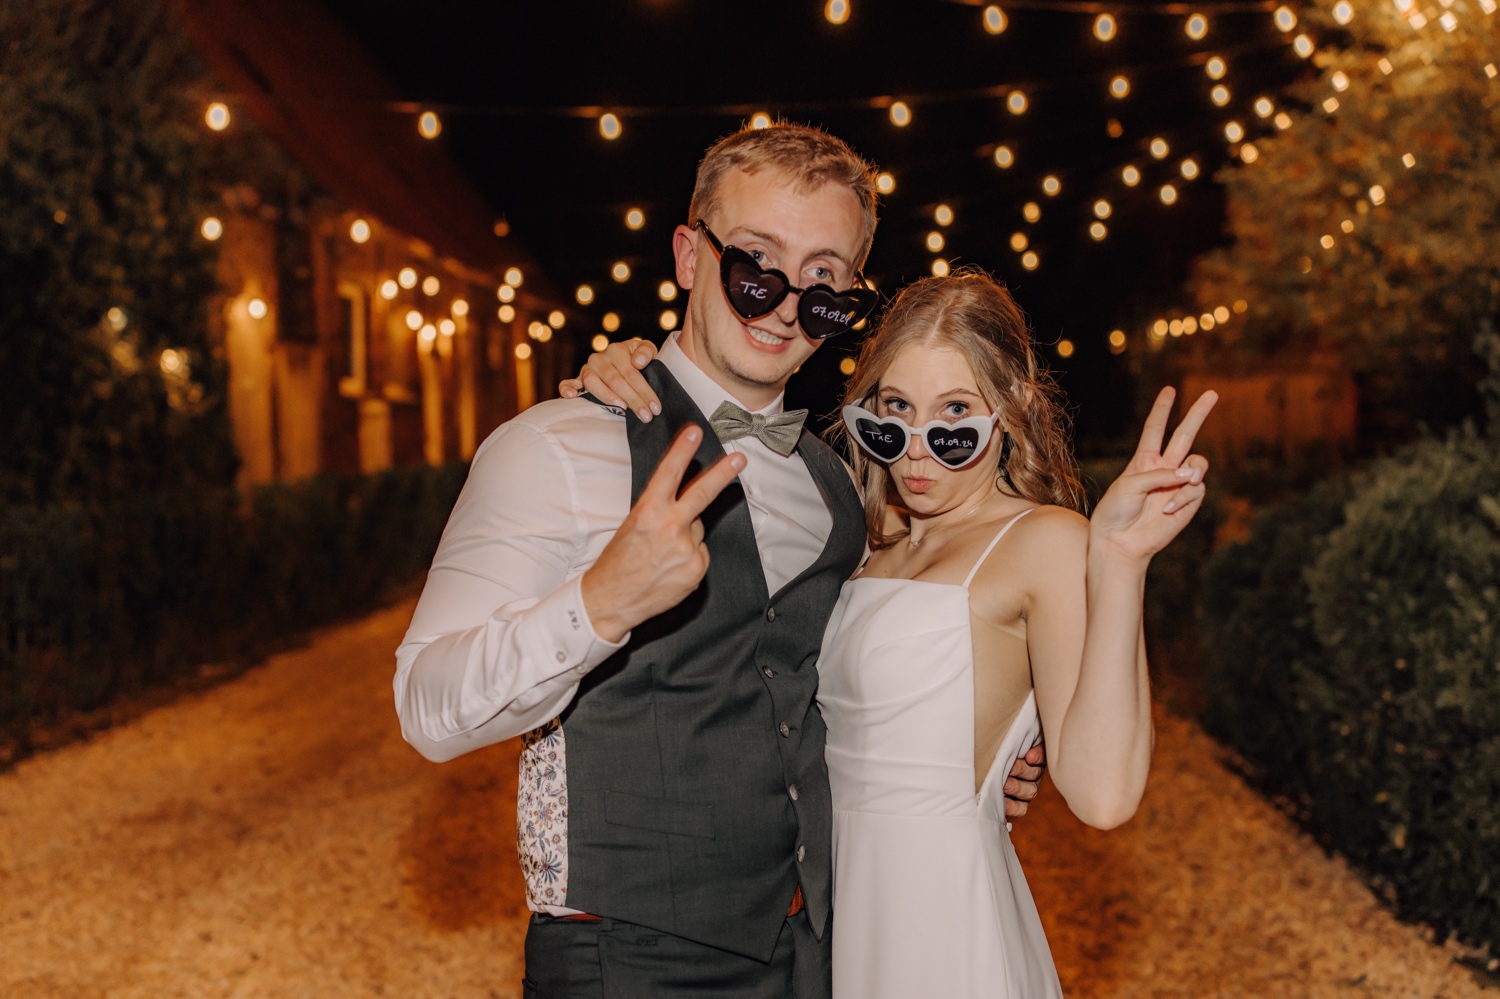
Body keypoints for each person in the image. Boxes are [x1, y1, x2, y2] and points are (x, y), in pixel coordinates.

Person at [395, 123, 1042, 999]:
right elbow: (426, 707)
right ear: (690, 256)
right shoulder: (553, 448)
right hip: (627, 959)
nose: (782, 303)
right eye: (755, 263)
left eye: (822, 282)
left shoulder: (840, 483)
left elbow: (856, 667)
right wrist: (597, 603)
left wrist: (984, 755)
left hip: (821, 947)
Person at [563, 271, 1215, 997]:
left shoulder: (1043, 540)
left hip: (941, 916)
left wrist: (1121, 563)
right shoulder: (870, 531)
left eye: (955, 417)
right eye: (894, 412)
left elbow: (1102, 794)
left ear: (1013, 411)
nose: (916, 451)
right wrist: (621, 366)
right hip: (831, 910)